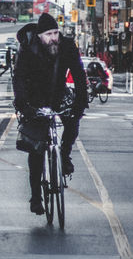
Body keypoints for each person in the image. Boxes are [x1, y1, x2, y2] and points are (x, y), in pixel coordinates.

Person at [12, 13, 88, 215]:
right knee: (36, 148)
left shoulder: (67, 46)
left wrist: (82, 100)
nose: (54, 37)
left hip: (58, 93)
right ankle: (36, 197)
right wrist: (22, 103)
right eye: (49, 34)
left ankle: (64, 156)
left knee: (73, 121)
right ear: (39, 36)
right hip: (34, 98)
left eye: (56, 32)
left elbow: (79, 74)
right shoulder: (28, 47)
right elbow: (18, 76)